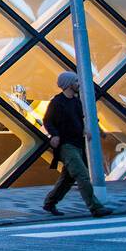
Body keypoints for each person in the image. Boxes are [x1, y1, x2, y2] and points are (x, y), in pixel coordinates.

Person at [43, 71, 113, 218]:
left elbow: (82, 118)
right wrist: (55, 135)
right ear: (68, 84)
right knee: (82, 175)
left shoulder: (76, 101)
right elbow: (47, 121)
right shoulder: (57, 102)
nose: (78, 84)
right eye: (75, 81)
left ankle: (49, 203)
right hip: (66, 145)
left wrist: (97, 130)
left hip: (78, 144)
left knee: (67, 179)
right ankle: (95, 208)